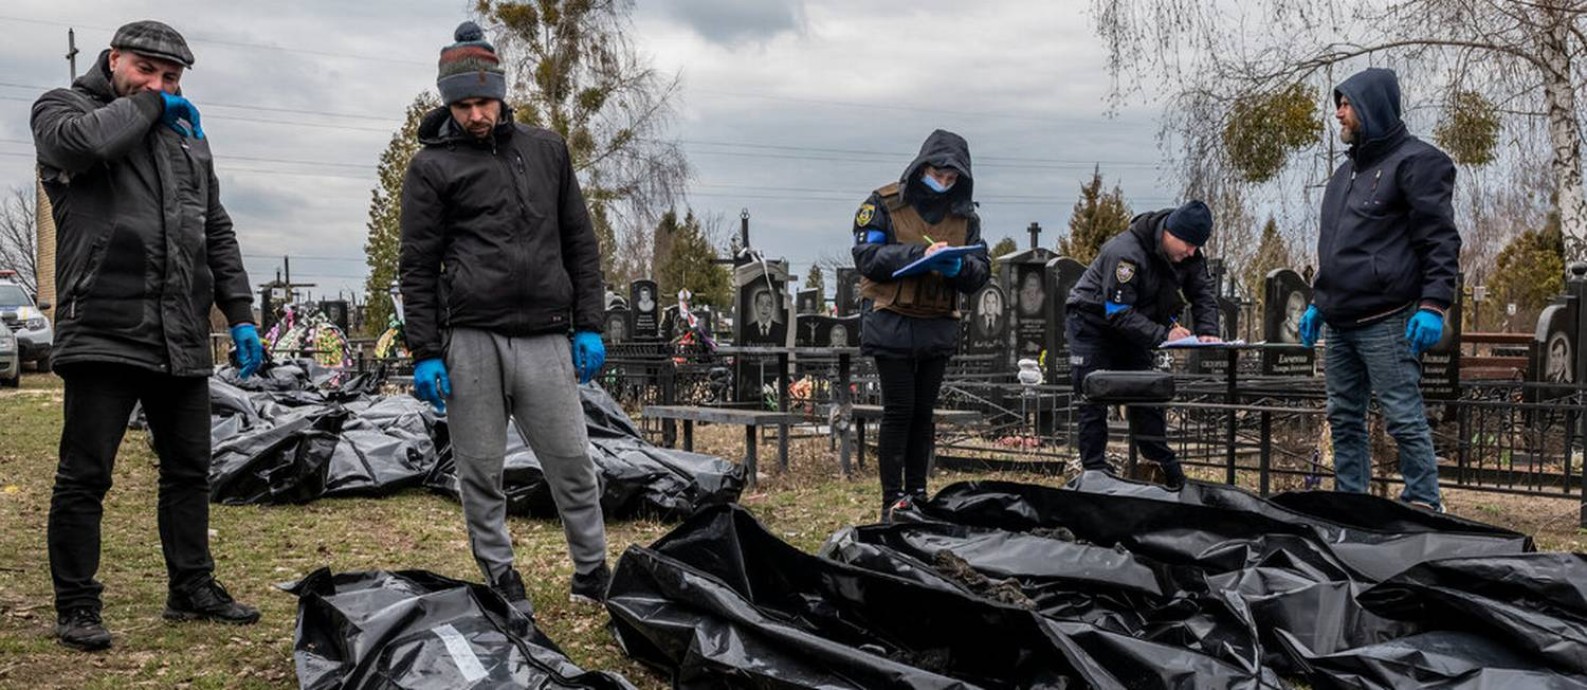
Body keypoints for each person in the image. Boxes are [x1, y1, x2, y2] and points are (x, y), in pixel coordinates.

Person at [32, 20, 265, 651]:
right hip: (104, 322)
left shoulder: (187, 141)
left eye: (171, 79)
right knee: (86, 475)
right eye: (146, 71)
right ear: (113, 61)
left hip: (180, 329)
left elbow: (215, 228)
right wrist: (152, 104)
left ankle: (191, 587)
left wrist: (240, 311)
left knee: (189, 469)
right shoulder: (63, 109)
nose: (160, 85)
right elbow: (80, 147)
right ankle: (77, 603)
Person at [400, 21, 611, 610]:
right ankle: (501, 575)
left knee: (572, 461)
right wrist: (424, 351)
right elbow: (416, 264)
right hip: (470, 339)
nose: (475, 115)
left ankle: (592, 572)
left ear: (502, 94)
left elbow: (579, 241)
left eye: (484, 101)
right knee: (481, 469)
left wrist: (589, 322)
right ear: (448, 103)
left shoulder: (547, 151)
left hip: (545, 335)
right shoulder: (431, 167)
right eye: (463, 104)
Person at [1298, 67, 1460, 512]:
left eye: (1346, 104)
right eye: (1338, 105)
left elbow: (1439, 239)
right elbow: (1336, 248)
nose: (1339, 114)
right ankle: (1354, 508)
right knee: (1344, 419)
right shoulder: (1342, 175)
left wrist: (1433, 303)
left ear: (1373, 106)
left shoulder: (1418, 163)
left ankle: (1423, 506)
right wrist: (1318, 300)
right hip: (1340, 320)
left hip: (1386, 319)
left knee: (1403, 417)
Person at [852, 129, 991, 520]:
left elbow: (982, 270)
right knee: (900, 410)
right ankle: (891, 500)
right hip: (891, 320)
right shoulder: (883, 203)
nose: (943, 183)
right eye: (938, 174)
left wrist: (960, 266)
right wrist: (917, 254)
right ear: (922, 167)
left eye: (951, 179)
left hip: (936, 323)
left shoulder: (965, 217)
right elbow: (866, 256)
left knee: (924, 412)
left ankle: (917, 493)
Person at [1065, 200, 1222, 488]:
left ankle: (1163, 468)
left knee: (1146, 394)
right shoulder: (1125, 253)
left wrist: (1209, 330)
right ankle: (1094, 473)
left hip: (1138, 324)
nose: (1190, 252)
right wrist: (1164, 336)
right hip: (1093, 323)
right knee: (1093, 394)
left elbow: (1202, 293)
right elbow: (1117, 313)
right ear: (1169, 233)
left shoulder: (1189, 255)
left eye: (1195, 247)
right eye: (1186, 244)